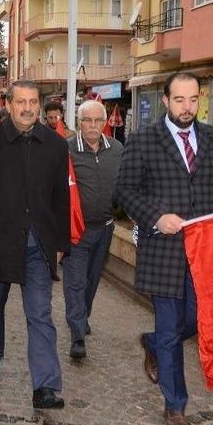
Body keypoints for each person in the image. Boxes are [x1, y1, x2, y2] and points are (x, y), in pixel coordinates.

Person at [115, 72, 213, 425]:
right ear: (166, 100)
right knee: (171, 327)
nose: (187, 107)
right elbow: (125, 191)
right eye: (180, 100)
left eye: (194, 100)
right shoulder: (143, 141)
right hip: (164, 251)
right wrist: (156, 216)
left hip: (205, 254)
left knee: (195, 321)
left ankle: (152, 344)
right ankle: (175, 405)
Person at [0, 80, 69, 410]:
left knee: (40, 314)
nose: (28, 108)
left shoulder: (55, 145)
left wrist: (60, 242)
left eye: (33, 102)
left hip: (38, 246)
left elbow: (61, 197)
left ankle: (45, 386)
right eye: (21, 101)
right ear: (7, 104)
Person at [62, 100, 123, 360]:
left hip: (105, 228)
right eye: (88, 120)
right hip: (77, 229)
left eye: (98, 120)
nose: (93, 126)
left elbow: (127, 183)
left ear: (105, 122)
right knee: (75, 281)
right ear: (79, 122)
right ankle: (77, 335)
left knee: (92, 280)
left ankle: (82, 315)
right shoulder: (66, 150)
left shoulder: (117, 149)